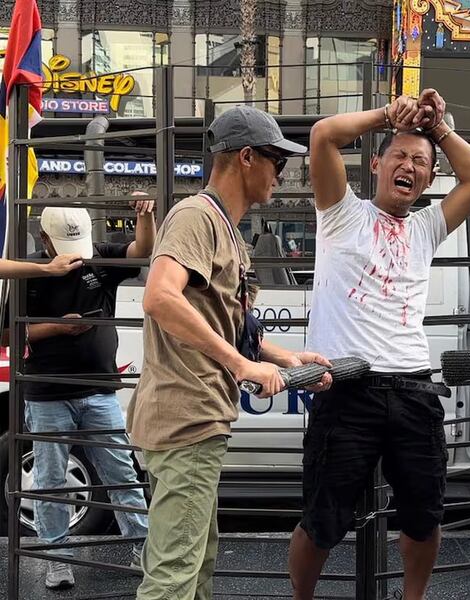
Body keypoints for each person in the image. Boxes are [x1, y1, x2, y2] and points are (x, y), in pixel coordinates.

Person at [288, 90, 470, 600]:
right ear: (376, 164)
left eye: (420, 162)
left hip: (413, 388)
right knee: (322, 521)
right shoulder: (341, 213)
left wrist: (437, 127)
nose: (409, 166)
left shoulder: (426, 226)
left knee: (424, 517)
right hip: (346, 386)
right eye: (399, 155)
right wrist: (389, 115)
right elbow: (323, 136)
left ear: (429, 176)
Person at [127, 105, 331, 600]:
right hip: (187, 419)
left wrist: (286, 358)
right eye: (277, 162)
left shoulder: (223, 227)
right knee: (174, 577)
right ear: (246, 157)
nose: (282, 175)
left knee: (196, 566)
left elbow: (229, 325)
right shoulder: (197, 217)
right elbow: (160, 297)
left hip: (196, 419)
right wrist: (242, 365)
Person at [20, 198, 155, 591]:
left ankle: (143, 548)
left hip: (98, 387)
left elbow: (141, 251)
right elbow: (11, 333)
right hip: (48, 391)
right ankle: (57, 558)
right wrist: (58, 327)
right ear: (44, 238)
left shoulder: (99, 256)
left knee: (122, 472)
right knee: (50, 479)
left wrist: (144, 217)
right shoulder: (28, 271)